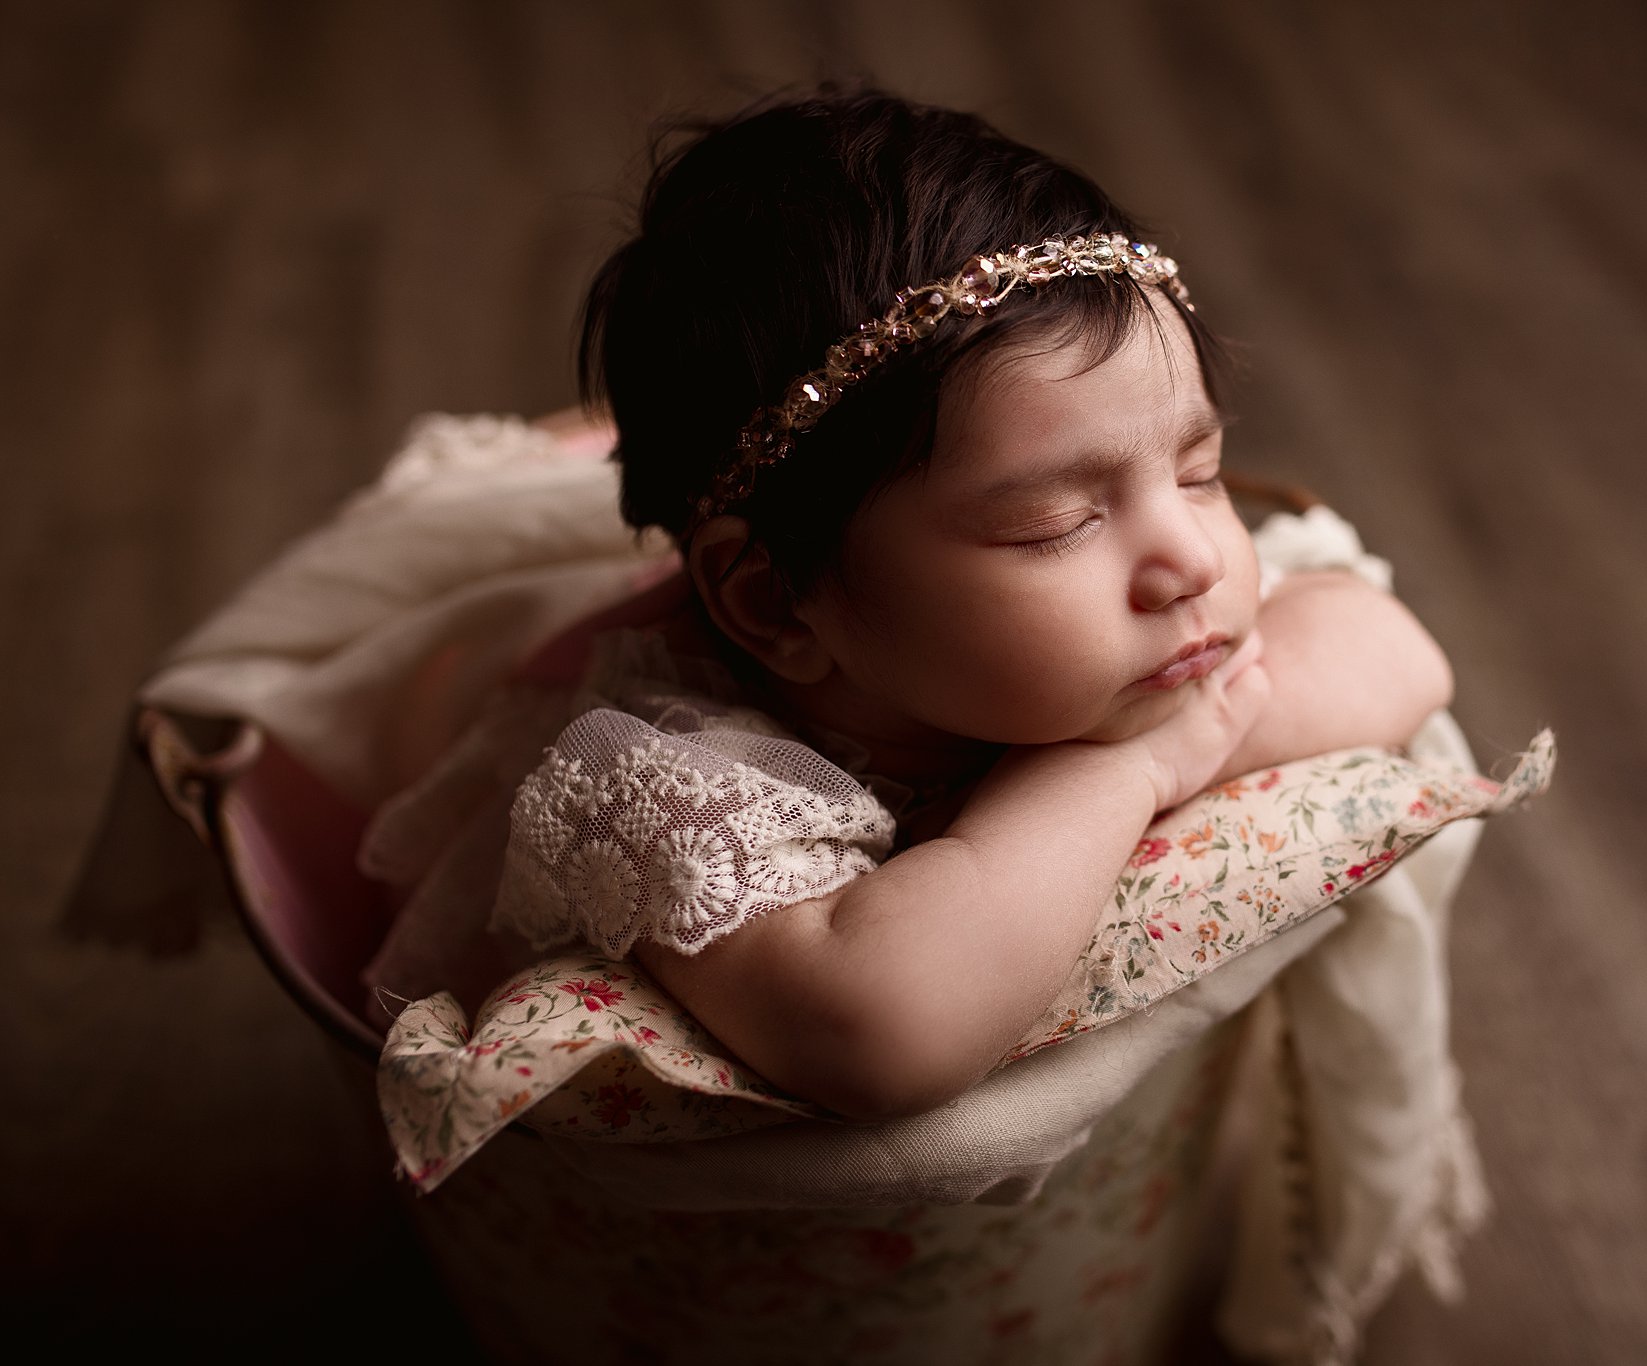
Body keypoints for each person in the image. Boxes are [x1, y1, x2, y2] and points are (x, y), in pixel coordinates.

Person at [362, 87, 1455, 1124]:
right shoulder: (663, 776)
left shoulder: (1140, 618)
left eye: (1200, 467)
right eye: (1052, 525)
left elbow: (1392, 649)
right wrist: (1124, 770)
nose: (1187, 556)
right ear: (773, 604)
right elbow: (883, 1029)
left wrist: (1190, 725)